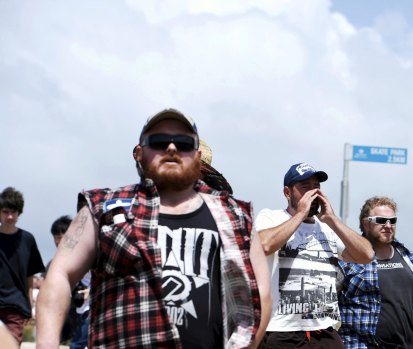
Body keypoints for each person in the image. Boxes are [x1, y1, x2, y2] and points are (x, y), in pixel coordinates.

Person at [36, 108, 271, 349]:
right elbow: (60, 274)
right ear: (139, 152)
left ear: (197, 155)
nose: (171, 148)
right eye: (158, 142)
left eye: (184, 143)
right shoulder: (103, 207)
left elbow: (260, 291)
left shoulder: (235, 215)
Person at [256, 162, 374, 348]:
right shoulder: (271, 217)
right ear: (287, 193)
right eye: (305, 187)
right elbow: (264, 245)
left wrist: (333, 220)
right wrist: (301, 214)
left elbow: (366, 255)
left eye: (316, 187)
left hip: (325, 330)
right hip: (282, 330)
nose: (313, 193)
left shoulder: (327, 227)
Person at [338, 196, 413, 348]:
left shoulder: (407, 255)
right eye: (381, 221)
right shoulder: (348, 257)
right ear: (365, 223)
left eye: (392, 221)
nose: (388, 225)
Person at [0, 186, 46, 345]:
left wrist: (30, 307)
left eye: (14, 212)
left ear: (19, 213)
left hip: (16, 306)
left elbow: (30, 277)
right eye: (5, 211)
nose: (10, 216)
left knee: (11, 346)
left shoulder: (27, 240)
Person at [49, 215, 91, 348]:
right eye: (56, 237)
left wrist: (90, 291)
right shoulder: (55, 262)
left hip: (91, 307)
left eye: (62, 237)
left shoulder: (88, 254)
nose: (59, 241)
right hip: (75, 311)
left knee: (76, 345)